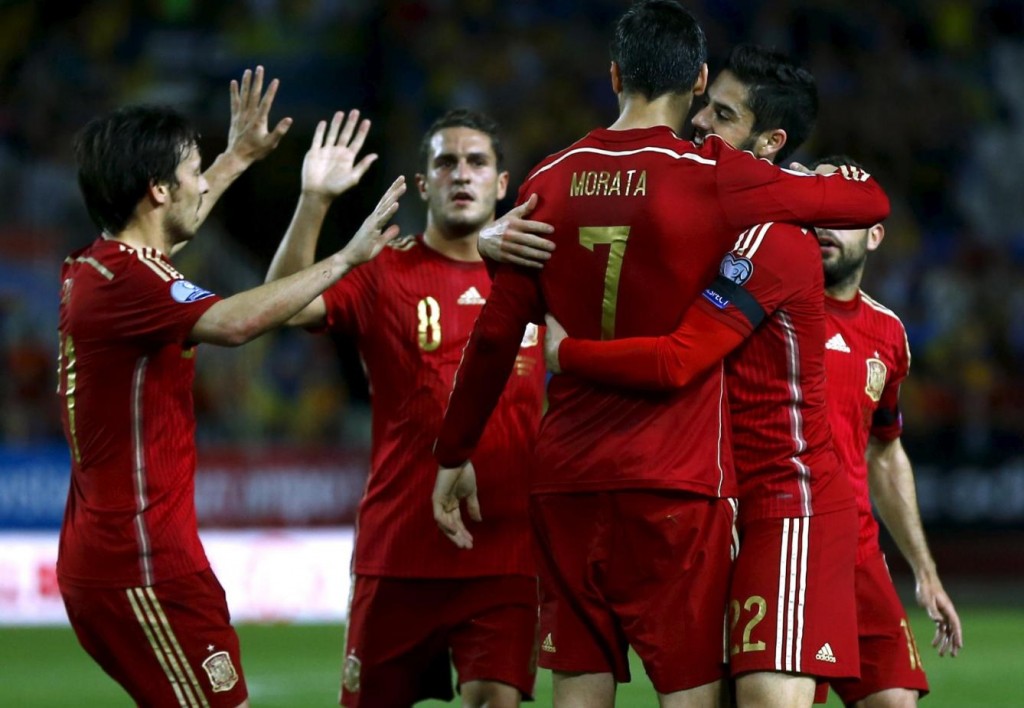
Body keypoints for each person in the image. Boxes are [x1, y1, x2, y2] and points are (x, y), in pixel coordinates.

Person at [431, 3, 889, 706]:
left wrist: (453, 453)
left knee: (576, 685)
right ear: (699, 81)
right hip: (674, 482)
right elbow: (862, 202)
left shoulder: (546, 182)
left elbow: (493, 339)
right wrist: (830, 179)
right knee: (691, 689)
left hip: (564, 478)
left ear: (613, 74)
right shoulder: (710, 176)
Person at [56, 67, 405, 708]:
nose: (201, 182)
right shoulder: (133, 285)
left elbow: (178, 224)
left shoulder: (101, 269)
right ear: (158, 190)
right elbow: (237, 323)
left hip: (122, 556)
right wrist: (347, 259)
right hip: (142, 562)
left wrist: (237, 155)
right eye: (192, 171)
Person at [536, 45, 861, 708]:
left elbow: (678, 358)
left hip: (784, 497)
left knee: (768, 700)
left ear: (769, 143)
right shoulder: (702, 213)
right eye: (705, 106)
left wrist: (564, 354)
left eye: (723, 114)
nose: (699, 122)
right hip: (717, 493)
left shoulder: (768, 237)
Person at [264, 108, 545, 708]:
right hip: (399, 547)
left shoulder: (537, 282)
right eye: (445, 162)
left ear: (502, 184)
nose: (461, 174)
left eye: (477, 163)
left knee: (495, 699)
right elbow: (279, 305)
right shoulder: (382, 271)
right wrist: (314, 200)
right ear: (423, 185)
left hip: (505, 548)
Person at [812, 154, 963, 707]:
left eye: (843, 215)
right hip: (786, 542)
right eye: (817, 210)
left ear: (875, 236)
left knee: (895, 698)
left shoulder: (888, 333)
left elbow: (884, 451)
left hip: (858, 553)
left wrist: (926, 573)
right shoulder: (770, 306)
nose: (824, 224)